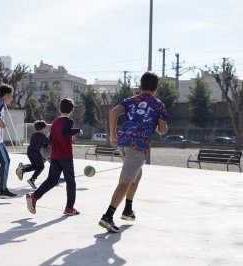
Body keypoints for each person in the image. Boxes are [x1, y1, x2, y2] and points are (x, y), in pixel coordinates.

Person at [99, 71, 168, 233]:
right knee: (125, 181)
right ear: (156, 88)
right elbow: (162, 130)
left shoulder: (131, 100)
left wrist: (112, 135)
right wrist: (159, 123)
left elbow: (113, 112)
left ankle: (128, 209)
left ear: (141, 86)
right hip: (138, 146)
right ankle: (108, 216)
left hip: (123, 142)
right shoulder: (158, 105)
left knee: (137, 173)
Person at [26, 98, 83, 216]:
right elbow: (64, 133)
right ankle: (69, 208)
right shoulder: (69, 122)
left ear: (59, 109)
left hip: (55, 156)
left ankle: (34, 197)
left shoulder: (55, 122)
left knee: (51, 180)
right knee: (71, 182)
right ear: (72, 110)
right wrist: (77, 131)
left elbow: (50, 139)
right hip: (65, 156)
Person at [16, 120, 50, 189]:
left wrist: (44, 144)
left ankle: (23, 169)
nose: (45, 130)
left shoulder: (34, 134)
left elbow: (41, 143)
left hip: (29, 152)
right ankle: (32, 179)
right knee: (41, 167)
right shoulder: (41, 135)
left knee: (34, 166)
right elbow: (50, 142)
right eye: (44, 128)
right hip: (35, 153)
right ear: (42, 128)